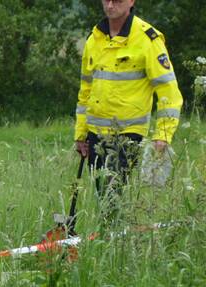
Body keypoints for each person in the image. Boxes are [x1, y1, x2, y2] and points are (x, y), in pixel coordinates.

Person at [74, 0, 183, 210]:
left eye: (117, 0)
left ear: (131, 1)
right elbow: (85, 89)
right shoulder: (94, 38)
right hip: (95, 132)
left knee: (112, 194)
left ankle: (114, 236)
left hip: (128, 133)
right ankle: (112, 236)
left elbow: (169, 91)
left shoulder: (148, 38)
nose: (110, 5)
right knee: (103, 196)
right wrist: (81, 133)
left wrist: (163, 134)